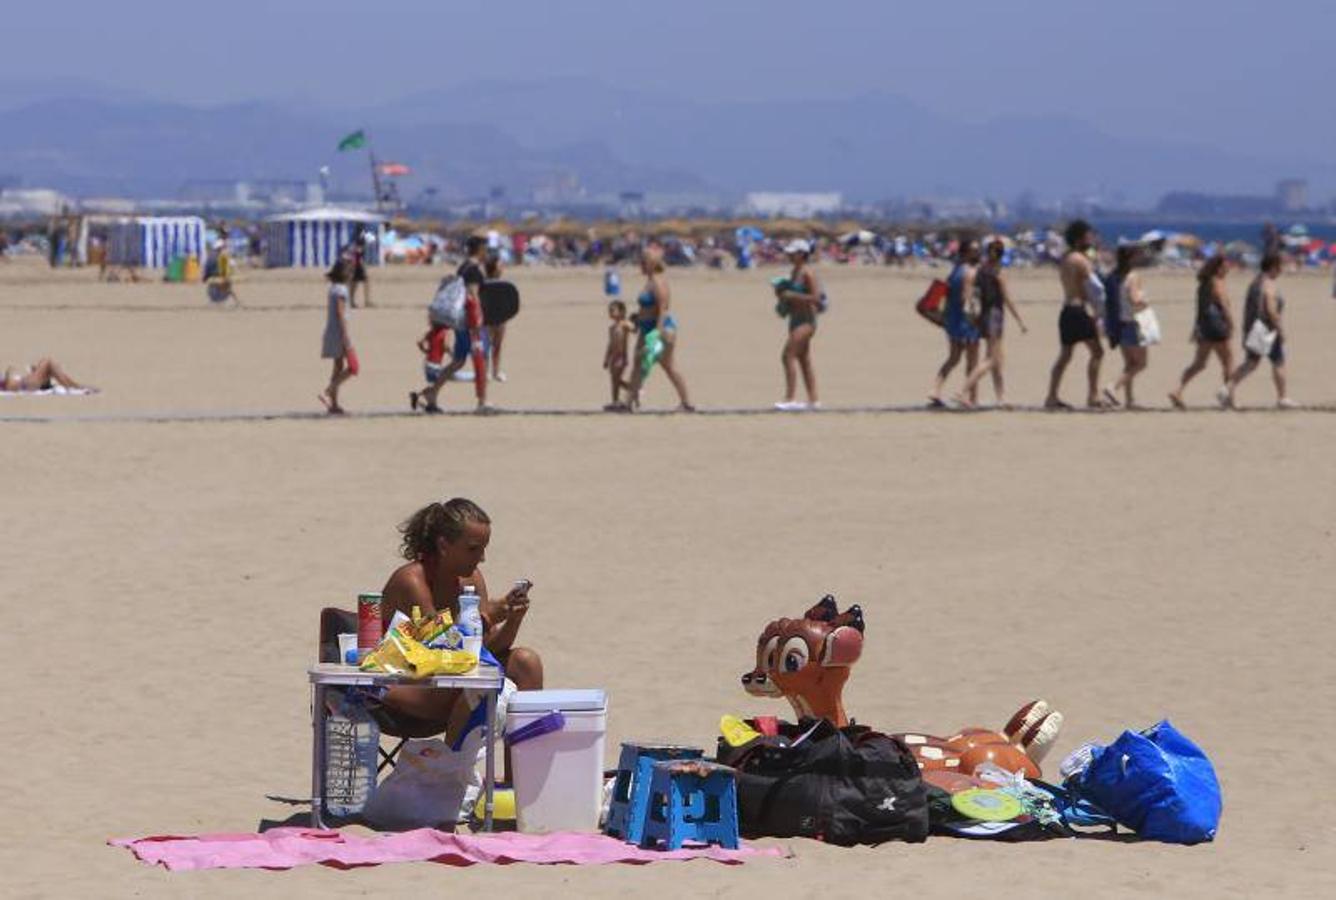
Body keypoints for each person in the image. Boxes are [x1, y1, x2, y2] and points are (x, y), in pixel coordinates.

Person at [376, 498, 544, 754]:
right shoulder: (411, 581)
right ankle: (450, 776)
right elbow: (440, 644)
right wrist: (488, 617)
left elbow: (484, 650)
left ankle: (520, 779)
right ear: (444, 545)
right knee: (473, 684)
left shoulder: (472, 579)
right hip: (407, 682)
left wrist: (513, 620)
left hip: (453, 677)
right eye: (473, 549)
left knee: (526, 662)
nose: (482, 558)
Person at [421, 236, 492, 414]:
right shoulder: (474, 270)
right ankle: (482, 401)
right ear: (480, 249)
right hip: (470, 322)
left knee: (459, 361)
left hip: (460, 322)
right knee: (481, 358)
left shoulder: (463, 267)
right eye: (485, 249)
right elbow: (472, 296)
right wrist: (478, 322)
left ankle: (432, 393)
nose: (487, 253)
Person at [1044, 220, 1107, 409]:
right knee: (1097, 352)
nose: (1092, 239)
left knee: (1065, 355)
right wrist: (1100, 312)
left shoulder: (1066, 259)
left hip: (1067, 309)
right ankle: (1093, 395)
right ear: (1080, 238)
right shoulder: (1081, 260)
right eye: (1089, 236)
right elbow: (1094, 288)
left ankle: (1052, 395)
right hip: (1079, 310)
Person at [957, 238, 1027, 407]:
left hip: (983, 314)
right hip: (994, 316)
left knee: (998, 359)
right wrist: (1020, 321)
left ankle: (1001, 397)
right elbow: (1007, 300)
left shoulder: (980, 270)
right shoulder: (998, 274)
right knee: (991, 359)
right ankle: (963, 390)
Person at [1221, 253, 1295, 409]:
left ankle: (1226, 389)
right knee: (1278, 361)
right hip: (1267, 329)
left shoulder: (1255, 282)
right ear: (1273, 267)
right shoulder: (1268, 283)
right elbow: (1271, 308)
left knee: (1251, 363)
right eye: (1280, 267)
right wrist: (1279, 329)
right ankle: (1282, 397)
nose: (1281, 270)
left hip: (1253, 328)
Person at [626, 246, 694, 412]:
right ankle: (630, 402)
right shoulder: (650, 280)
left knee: (667, 365)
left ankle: (686, 402)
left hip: (659, 329)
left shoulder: (658, 281)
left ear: (652, 263)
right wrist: (638, 318)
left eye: (644, 261)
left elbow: (663, 309)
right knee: (640, 364)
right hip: (646, 327)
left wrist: (656, 333)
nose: (640, 265)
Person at [1169, 255, 1235, 409]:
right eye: (1226, 266)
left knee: (1199, 363)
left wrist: (1196, 329)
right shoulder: (1217, 282)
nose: (1228, 269)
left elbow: (1199, 310)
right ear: (1219, 268)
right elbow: (1224, 305)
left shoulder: (1203, 284)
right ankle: (1228, 398)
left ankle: (1177, 390)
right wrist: (1231, 323)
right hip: (1217, 326)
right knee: (1228, 362)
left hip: (1205, 327)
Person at [928, 237, 981, 408]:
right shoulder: (969, 272)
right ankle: (969, 397)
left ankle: (935, 389)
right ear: (966, 253)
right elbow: (967, 298)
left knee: (953, 358)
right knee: (972, 361)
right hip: (965, 321)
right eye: (974, 250)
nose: (977, 253)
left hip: (951, 319)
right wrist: (976, 317)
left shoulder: (955, 270)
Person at [774, 239, 822, 411]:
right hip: (794, 320)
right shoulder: (794, 272)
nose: (789, 256)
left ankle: (790, 398)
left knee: (787, 356)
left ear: (802, 254)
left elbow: (816, 298)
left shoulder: (808, 273)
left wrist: (792, 295)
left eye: (793, 253)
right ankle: (813, 399)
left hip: (806, 320)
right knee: (803, 359)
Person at [1103, 243, 1150, 408]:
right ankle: (1113, 387)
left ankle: (1130, 399)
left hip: (1118, 323)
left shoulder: (1113, 276)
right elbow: (1134, 299)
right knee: (1140, 363)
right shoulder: (1133, 276)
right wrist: (1145, 302)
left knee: (1129, 364)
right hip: (1133, 322)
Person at [317, 261, 355, 415]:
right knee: (353, 367)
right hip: (338, 331)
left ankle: (334, 403)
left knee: (338, 366)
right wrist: (345, 335)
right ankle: (328, 391)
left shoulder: (333, 288)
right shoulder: (340, 290)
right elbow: (340, 313)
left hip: (333, 330)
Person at [409, 313, 450, 412]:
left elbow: (419, 342)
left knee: (434, 385)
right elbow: (445, 346)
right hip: (436, 363)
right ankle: (430, 403)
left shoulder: (431, 332)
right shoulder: (445, 332)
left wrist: (426, 350)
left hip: (428, 362)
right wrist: (451, 353)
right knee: (436, 386)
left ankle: (421, 398)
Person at [603, 299, 634, 410]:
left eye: (613, 310)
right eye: (609, 311)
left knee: (617, 380)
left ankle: (633, 390)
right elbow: (610, 345)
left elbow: (634, 329)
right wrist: (606, 358)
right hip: (613, 358)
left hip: (621, 357)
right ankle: (615, 401)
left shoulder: (624, 325)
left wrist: (633, 322)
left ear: (621, 312)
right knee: (614, 380)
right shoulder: (611, 328)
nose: (610, 313)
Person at [2, 357, 97, 393]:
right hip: (25, 385)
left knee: (46, 364)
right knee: (47, 362)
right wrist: (7, 375)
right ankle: (73, 386)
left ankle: (74, 386)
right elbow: (6, 386)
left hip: (25, 382)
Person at [484, 255, 507, 383]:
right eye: (500, 265)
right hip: (487, 318)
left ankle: (496, 371)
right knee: (485, 346)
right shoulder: (485, 282)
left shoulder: (503, 283)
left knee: (497, 346)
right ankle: (486, 371)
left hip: (501, 318)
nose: (502, 268)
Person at [346, 229, 371, 308]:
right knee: (355, 284)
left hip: (355, 265)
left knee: (354, 284)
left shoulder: (355, 244)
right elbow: (356, 257)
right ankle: (364, 301)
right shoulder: (358, 245)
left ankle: (352, 301)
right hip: (356, 265)